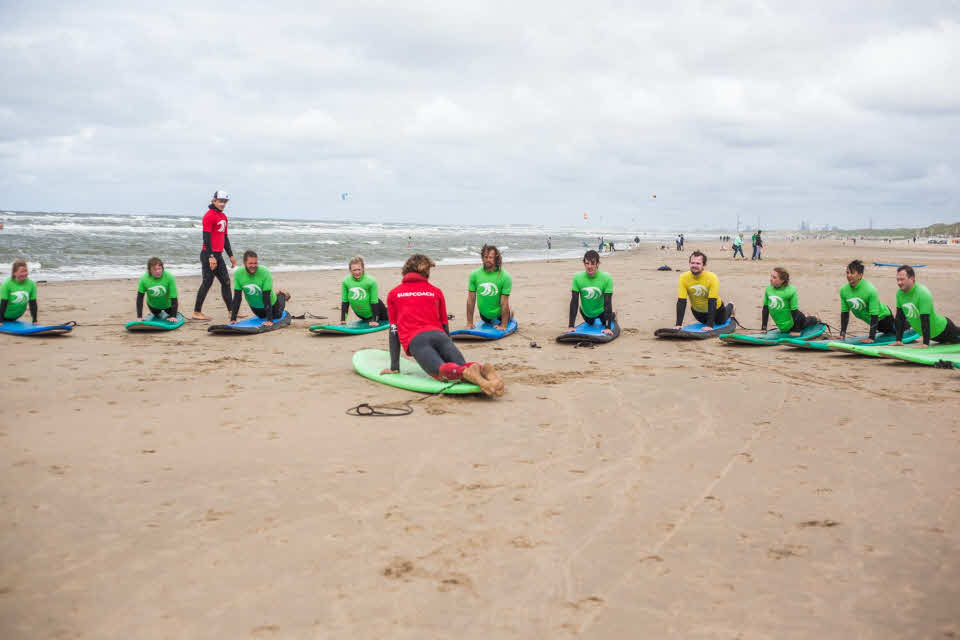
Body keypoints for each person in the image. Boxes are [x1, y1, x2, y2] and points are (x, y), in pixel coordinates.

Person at [383, 254, 503, 397]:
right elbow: (444, 325)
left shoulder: (394, 294)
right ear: (427, 272)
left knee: (441, 371)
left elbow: (394, 331)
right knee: (461, 366)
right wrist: (447, 346)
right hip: (440, 336)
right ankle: (483, 369)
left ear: (405, 271)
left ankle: (469, 372)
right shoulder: (435, 291)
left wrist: (394, 367)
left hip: (417, 340)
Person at [193, 190, 237, 320]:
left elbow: (225, 237)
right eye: (220, 201)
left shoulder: (223, 217)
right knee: (207, 282)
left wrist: (231, 255)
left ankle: (231, 311)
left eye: (225, 202)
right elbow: (206, 238)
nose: (223, 204)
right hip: (208, 254)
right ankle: (196, 312)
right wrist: (211, 256)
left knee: (226, 282)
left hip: (218, 255)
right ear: (214, 201)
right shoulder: (209, 216)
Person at [893, 266, 960, 346]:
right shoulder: (899, 294)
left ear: (912, 278)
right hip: (933, 336)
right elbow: (900, 317)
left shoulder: (922, 293)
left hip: (944, 330)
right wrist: (898, 340)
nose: (899, 283)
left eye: (902, 279)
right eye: (898, 279)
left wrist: (925, 343)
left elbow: (925, 319)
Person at [229, 250, 292, 327]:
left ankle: (282, 294)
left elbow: (266, 297)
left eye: (255, 263)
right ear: (244, 263)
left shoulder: (264, 272)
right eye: (250, 263)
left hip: (271, 303)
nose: (253, 266)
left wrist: (269, 320)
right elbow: (237, 298)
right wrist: (233, 319)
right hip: (255, 306)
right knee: (262, 317)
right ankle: (276, 292)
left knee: (277, 315)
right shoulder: (239, 274)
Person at [674, 251, 733, 330]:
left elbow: (712, 301)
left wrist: (710, 325)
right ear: (689, 263)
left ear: (704, 265)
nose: (694, 265)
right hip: (698, 312)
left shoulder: (712, 277)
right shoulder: (683, 277)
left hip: (717, 310)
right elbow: (681, 301)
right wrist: (678, 324)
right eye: (692, 263)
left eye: (698, 263)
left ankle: (731, 306)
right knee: (703, 322)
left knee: (720, 322)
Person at [838, 259, 894, 343]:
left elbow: (874, 315)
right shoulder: (844, 290)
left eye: (852, 273)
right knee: (887, 332)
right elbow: (845, 313)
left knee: (897, 330)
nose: (849, 275)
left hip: (884, 317)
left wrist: (871, 338)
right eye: (847, 272)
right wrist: (842, 334)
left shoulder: (870, 290)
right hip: (874, 323)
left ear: (860, 275)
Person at [565, 250, 614, 335]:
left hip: (601, 311)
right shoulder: (577, 277)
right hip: (586, 313)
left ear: (598, 264)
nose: (589, 266)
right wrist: (571, 326)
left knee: (606, 319)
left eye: (592, 263)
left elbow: (607, 303)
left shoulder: (607, 278)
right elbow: (574, 302)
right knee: (590, 323)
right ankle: (592, 318)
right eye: (587, 263)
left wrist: (607, 327)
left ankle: (613, 315)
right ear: (584, 264)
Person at [466, 245, 512, 330]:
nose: (487, 260)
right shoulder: (474, 275)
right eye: (485, 257)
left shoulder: (505, 276)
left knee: (507, 314)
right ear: (482, 258)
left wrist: (504, 325)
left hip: (500, 314)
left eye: (490, 257)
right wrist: (469, 323)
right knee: (487, 319)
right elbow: (471, 300)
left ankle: (510, 314)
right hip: (484, 316)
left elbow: (504, 303)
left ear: (496, 258)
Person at [761, 267, 819, 333]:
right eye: (771, 276)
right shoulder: (768, 289)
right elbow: (765, 309)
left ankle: (816, 318)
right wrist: (764, 327)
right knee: (802, 317)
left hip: (795, 321)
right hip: (784, 325)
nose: (770, 279)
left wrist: (796, 330)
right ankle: (806, 315)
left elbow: (794, 312)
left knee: (806, 322)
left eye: (774, 277)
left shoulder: (790, 290)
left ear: (782, 280)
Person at [341, 256, 387, 326]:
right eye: (354, 270)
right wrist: (343, 319)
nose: (357, 272)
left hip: (380, 312)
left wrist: (375, 320)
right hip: (362, 315)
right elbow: (345, 302)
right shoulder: (346, 281)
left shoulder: (370, 281)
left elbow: (374, 301)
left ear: (363, 269)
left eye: (359, 269)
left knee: (392, 314)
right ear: (350, 270)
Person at [136, 257, 179, 322]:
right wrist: (139, 316)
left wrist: (173, 316)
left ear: (162, 268)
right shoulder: (144, 279)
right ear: (149, 270)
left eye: (159, 268)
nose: (158, 271)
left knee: (170, 314)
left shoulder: (169, 277)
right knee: (156, 315)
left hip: (168, 306)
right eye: (154, 269)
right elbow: (140, 298)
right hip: (153, 306)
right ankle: (157, 313)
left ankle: (170, 313)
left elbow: (174, 297)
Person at [0, 259, 38, 324]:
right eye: (21, 272)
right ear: (14, 273)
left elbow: (33, 304)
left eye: (25, 271)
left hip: (14, 317)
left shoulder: (31, 284)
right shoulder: (7, 284)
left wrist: (34, 320)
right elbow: (3, 303)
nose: (24, 274)